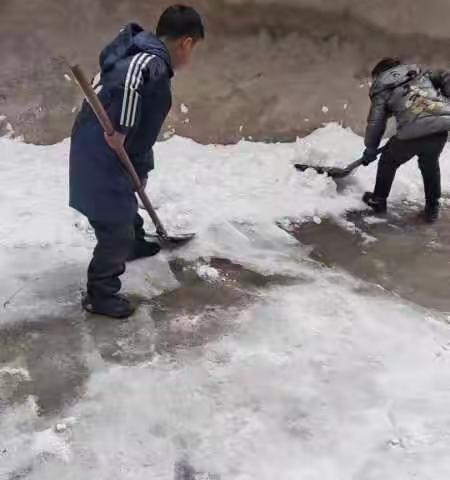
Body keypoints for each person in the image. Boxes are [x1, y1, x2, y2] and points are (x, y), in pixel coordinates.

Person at [70, 5, 205, 318]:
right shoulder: (147, 60)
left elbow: (144, 130)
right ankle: (101, 293)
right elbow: (127, 86)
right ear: (186, 42)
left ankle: (132, 244)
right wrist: (121, 130)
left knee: (123, 201)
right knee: (114, 224)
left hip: (109, 149)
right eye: (194, 48)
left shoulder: (144, 58)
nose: (191, 55)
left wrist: (141, 167)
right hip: (101, 151)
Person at [361, 57, 450, 222]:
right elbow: (446, 76)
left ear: (379, 74)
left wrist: (371, 149)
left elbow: (376, 123)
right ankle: (432, 207)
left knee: (388, 159)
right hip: (440, 129)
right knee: (429, 164)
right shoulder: (419, 72)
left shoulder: (381, 87)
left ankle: (378, 200)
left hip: (411, 134)